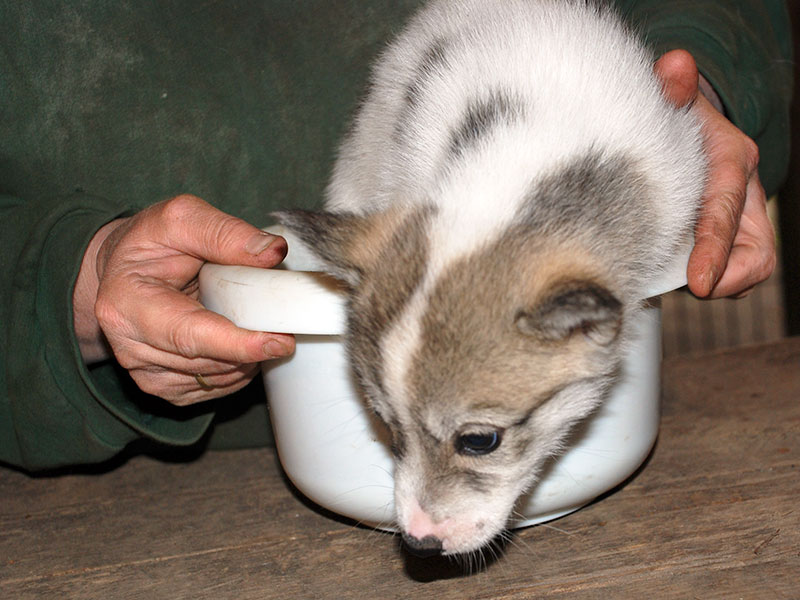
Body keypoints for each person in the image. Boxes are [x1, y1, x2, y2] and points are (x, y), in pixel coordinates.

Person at [0, 0, 792, 471]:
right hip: (169, 475)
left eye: (476, 442)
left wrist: (704, 85)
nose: (418, 523)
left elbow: (727, 17)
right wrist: (62, 278)